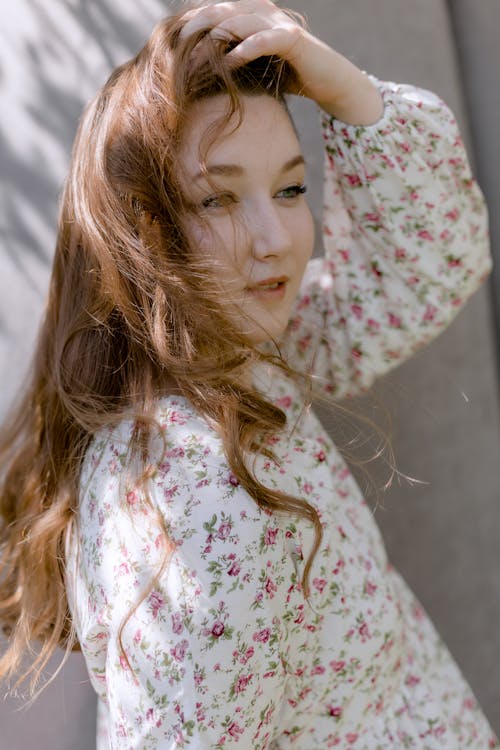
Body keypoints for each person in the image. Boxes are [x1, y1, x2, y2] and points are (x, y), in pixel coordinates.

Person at [0, 0, 497, 747]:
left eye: (292, 189)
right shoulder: (190, 502)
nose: (276, 240)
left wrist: (342, 88)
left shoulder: (246, 351)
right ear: (141, 226)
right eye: (218, 198)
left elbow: (429, 267)